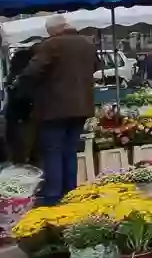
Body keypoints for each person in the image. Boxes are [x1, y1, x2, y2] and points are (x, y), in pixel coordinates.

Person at [17, 15, 98, 205]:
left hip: (54, 108)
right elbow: (95, 66)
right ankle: (70, 192)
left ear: (53, 30)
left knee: (53, 150)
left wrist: (22, 87)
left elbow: (32, 72)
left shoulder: (51, 45)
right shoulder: (87, 43)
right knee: (70, 150)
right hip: (81, 106)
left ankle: (54, 196)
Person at [5, 46, 38, 165]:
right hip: (24, 119)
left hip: (15, 119)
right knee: (28, 153)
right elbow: (25, 97)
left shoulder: (13, 77)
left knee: (18, 155)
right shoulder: (24, 78)